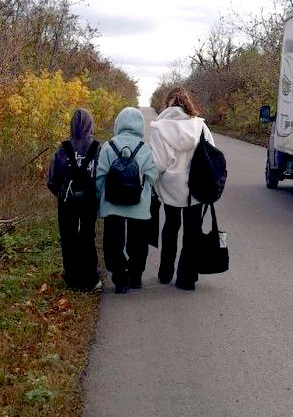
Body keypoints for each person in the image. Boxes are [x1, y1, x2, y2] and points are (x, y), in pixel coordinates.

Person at [149, 87, 214, 291]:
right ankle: (187, 278)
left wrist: (152, 183)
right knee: (192, 230)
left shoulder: (160, 128)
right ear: (187, 103)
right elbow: (212, 153)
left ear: (167, 104)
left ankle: (166, 272)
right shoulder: (200, 126)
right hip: (196, 186)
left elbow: (158, 163)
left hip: (171, 188)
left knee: (170, 227)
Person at [95, 107, 158, 294]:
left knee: (113, 243)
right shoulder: (145, 148)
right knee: (138, 242)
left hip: (112, 204)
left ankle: (120, 279)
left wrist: (100, 198)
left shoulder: (108, 146)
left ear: (118, 123)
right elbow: (152, 175)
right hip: (139, 204)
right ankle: (136, 276)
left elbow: (100, 176)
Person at [47, 108, 102, 291]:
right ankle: (91, 279)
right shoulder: (97, 148)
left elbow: (52, 179)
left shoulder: (63, 149)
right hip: (89, 201)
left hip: (66, 202)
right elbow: (102, 177)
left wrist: (62, 195)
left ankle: (72, 279)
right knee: (87, 236)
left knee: (68, 238)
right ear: (90, 124)